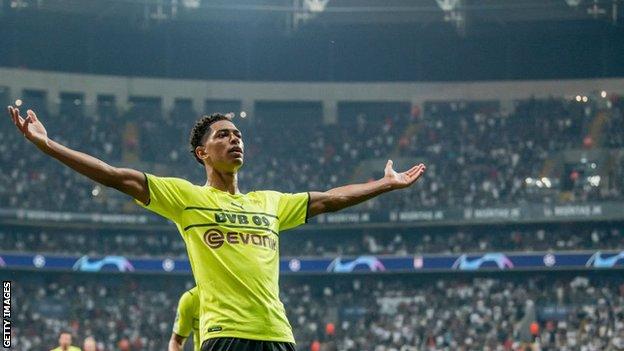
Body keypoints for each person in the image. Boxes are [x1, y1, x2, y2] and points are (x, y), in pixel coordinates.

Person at [8, 107, 426, 351]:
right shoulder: (186, 196)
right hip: (225, 338)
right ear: (201, 152)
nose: (235, 139)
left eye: (238, 134)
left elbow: (331, 199)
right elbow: (116, 176)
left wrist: (385, 184)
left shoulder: (271, 202)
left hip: (279, 335)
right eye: (223, 135)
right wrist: (49, 145)